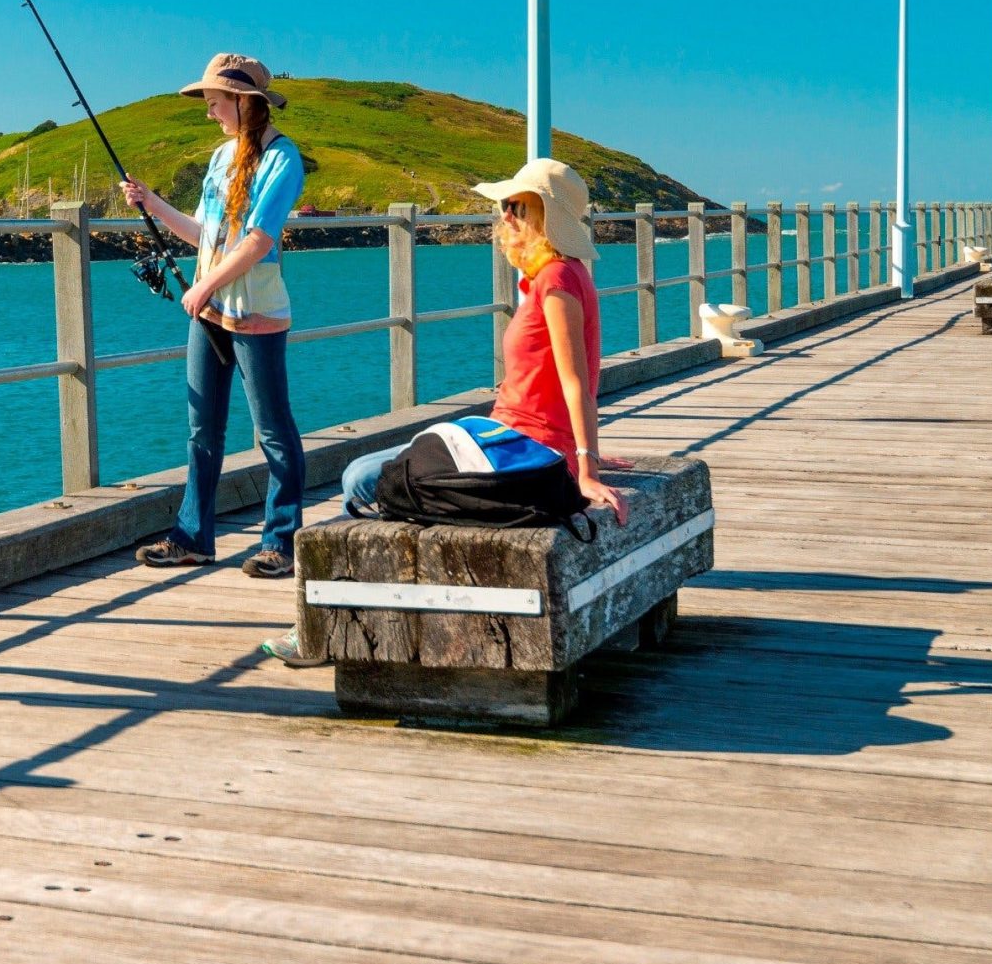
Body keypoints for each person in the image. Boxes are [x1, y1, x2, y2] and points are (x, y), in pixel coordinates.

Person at [340, 158, 628, 533]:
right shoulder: (554, 275)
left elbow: (577, 382)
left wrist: (586, 466)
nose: (505, 216)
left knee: (360, 480)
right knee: (363, 473)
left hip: (530, 448)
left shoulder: (557, 280)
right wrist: (584, 450)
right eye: (504, 205)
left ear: (543, 215)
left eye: (515, 206)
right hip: (504, 431)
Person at [120, 53, 307, 579]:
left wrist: (203, 285)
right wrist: (152, 202)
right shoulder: (221, 159)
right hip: (209, 310)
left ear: (246, 104)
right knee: (201, 427)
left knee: (272, 429)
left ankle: (282, 541)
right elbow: (205, 233)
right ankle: (192, 536)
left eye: (216, 103)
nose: (210, 113)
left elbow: (259, 242)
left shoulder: (283, 160)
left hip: (256, 313)